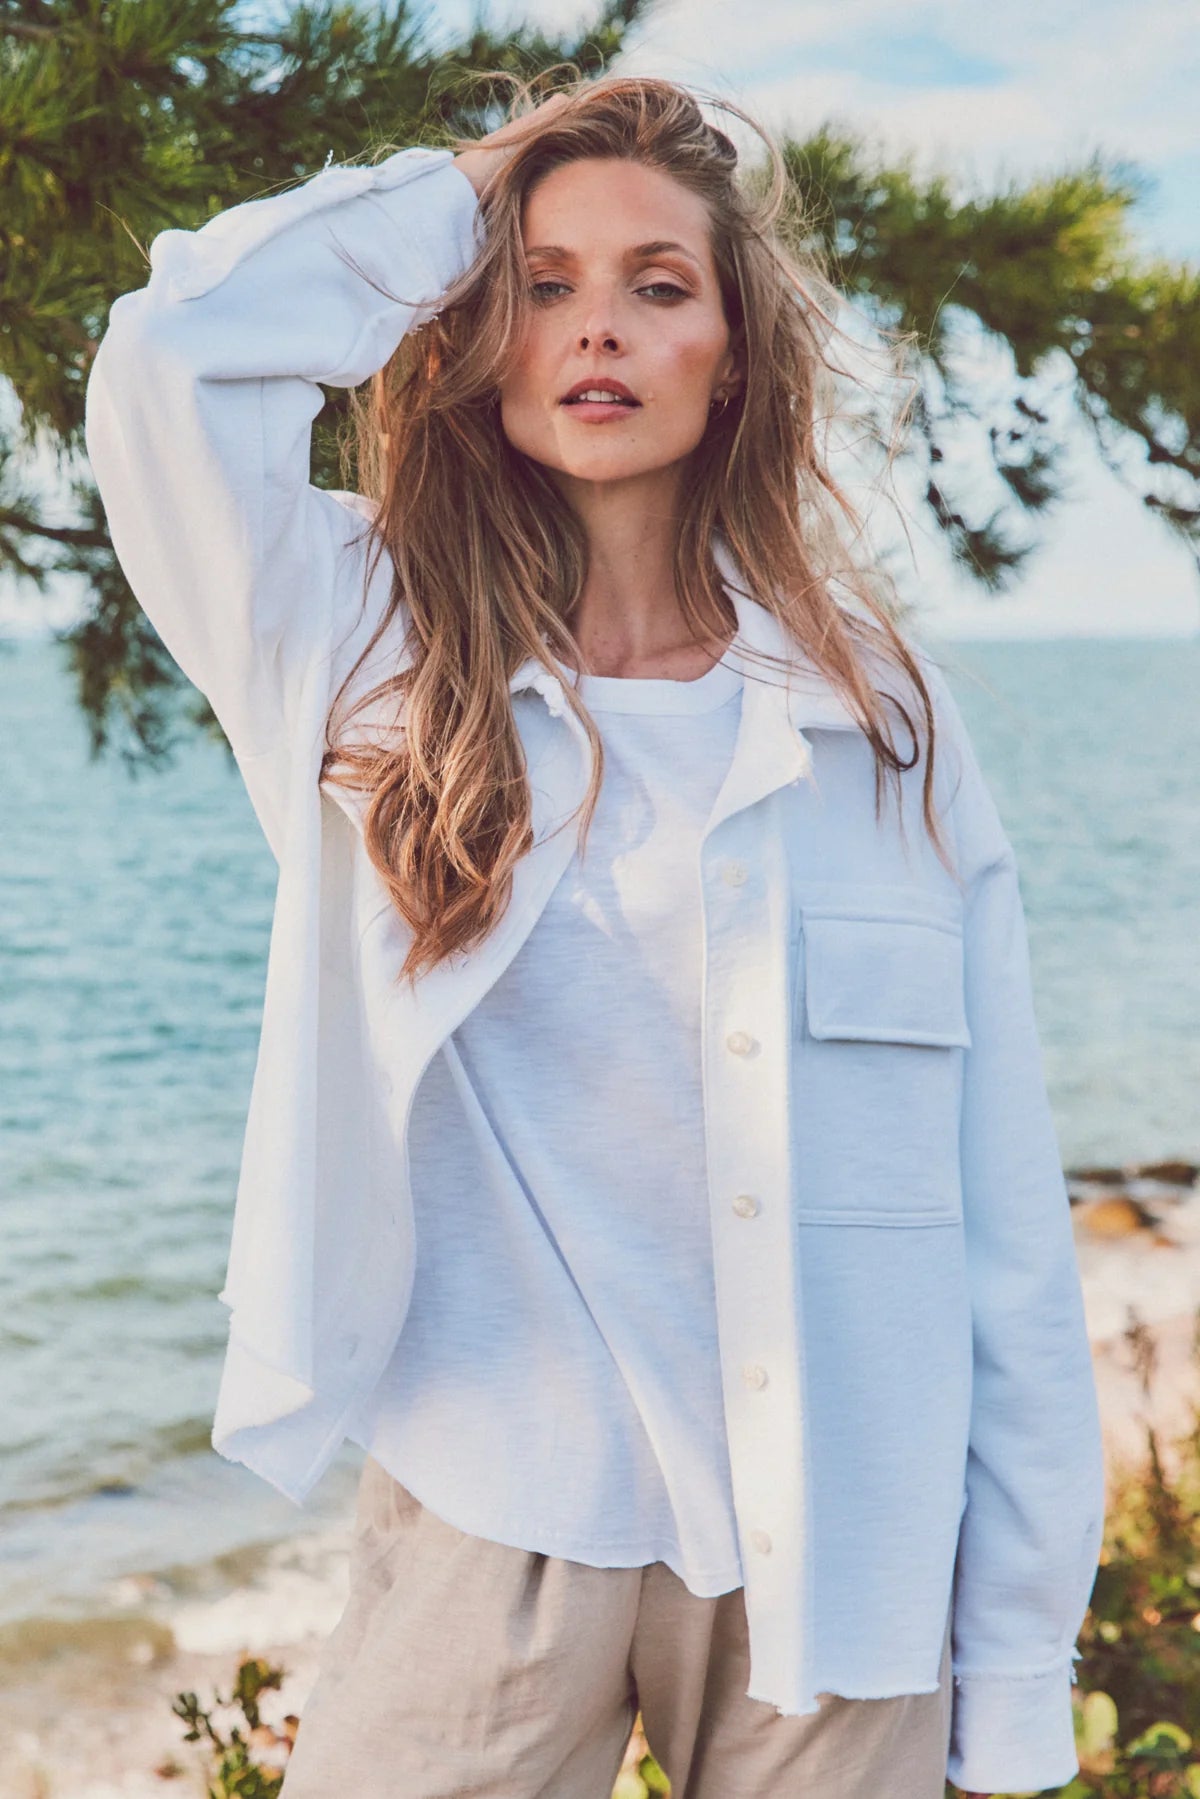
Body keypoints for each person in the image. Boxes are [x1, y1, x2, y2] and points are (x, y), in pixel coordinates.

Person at [84, 70, 1106, 1799]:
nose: (594, 330)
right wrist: (466, 196)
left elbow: (998, 1208)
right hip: (499, 1506)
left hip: (844, 1535)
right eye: (539, 285)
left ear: (735, 349)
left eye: (657, 282)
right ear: (472, 333)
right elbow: (163, 368)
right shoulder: (350, 640)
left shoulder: (880, 715)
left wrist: (1011, 1656)